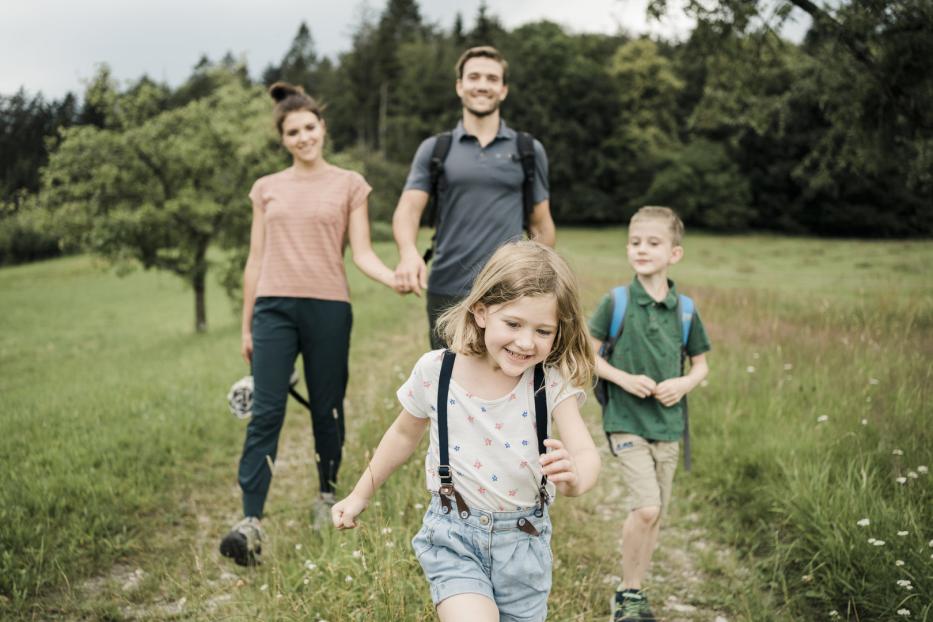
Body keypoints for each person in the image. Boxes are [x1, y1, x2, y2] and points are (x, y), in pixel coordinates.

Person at [333, 241, 600, 622]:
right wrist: (360, 494)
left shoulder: (549, 382)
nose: (526, 342)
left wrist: (576, 479)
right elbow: (402, 435)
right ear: (481, 311)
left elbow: (587, 454)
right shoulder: (436, 372)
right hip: (454, 535)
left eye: (543, 331)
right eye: (513, 323)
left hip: (524, 546)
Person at [219, 82, 399, 567]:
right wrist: (246, 327)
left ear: (323, 128)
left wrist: (394, 277)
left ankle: (326, 496)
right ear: (283, 138)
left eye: (309, 127)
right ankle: (250, 521)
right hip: (273, 309)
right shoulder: (266, 188)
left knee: (327, 409)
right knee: (267, 413)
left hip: (328, 308)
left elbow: (361, 252)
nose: (303, 137)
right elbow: (255, 260)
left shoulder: (349, 184)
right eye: (293, 131)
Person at [588, 207, 711, 621]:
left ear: (674, 253)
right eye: (635, 242)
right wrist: (622, 378)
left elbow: (700, 365)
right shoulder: (616, 302)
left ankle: (635, 588)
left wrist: (683, 384)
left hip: (669, 425)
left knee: (655, 512)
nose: (642, 249)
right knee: (646, 508)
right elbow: (587, 357)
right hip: (625, 420)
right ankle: (626, 594)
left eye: (653, 243)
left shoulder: (686, 309)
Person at [392, 46, 557, 349]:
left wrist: (536, 280)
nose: (482, 85)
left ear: (503, 89)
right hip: (448, 286)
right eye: (474, 77)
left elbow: (542, 225)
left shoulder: (528, 150)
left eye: (492, 78)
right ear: (460, 86)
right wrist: (407, 252)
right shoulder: (435, 149)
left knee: (507, 382)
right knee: (450, 383)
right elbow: (409, 210)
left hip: (510, 289)